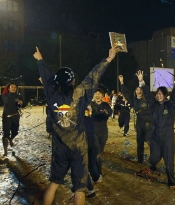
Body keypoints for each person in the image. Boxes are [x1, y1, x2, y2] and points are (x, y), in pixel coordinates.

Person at [33, 46, 118, 205]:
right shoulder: (79, 94)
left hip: (59, 148)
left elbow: (47, 78)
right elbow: (93, 77)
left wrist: (40, 60)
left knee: (54, 184)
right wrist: (109, 59)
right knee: (80, 188)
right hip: (78, 149)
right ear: (72, 81)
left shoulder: (52, 94)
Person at [136, 70, 175, 189]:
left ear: (165, 95)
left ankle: (171, 182)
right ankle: (152, 165)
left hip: (168, 138)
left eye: (161, 93)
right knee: (154, 158)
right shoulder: (153, 105)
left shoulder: (170, 106)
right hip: (156, 137)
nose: (158, 95)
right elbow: (147, 95)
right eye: (157, 93)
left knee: (168, 161)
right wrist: (141, 81)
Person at [119, 75, 153, 163]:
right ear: (135, 91)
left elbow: (147, 91)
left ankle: (154, 159)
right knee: (140, 143)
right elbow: (126, 93)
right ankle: (140, 160)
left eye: (140, 90)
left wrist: (141, 81)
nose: (139, 91)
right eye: (137, 90)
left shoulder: (148, 99)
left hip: (149, 123)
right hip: (139, 124)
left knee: (151, 142)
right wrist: (122, 83)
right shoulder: (134, 101)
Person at [1, 83, 23, 156]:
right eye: (12, 87)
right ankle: (5, 151)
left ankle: (11, 139)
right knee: (6, 134)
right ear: (9, 88)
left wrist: (21, 103)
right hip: (6, 117)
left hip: (15, 117)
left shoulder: (18, 96)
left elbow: (24, 104)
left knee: (15, 132)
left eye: (15, 87)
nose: (13, 88)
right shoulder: (4, 96)